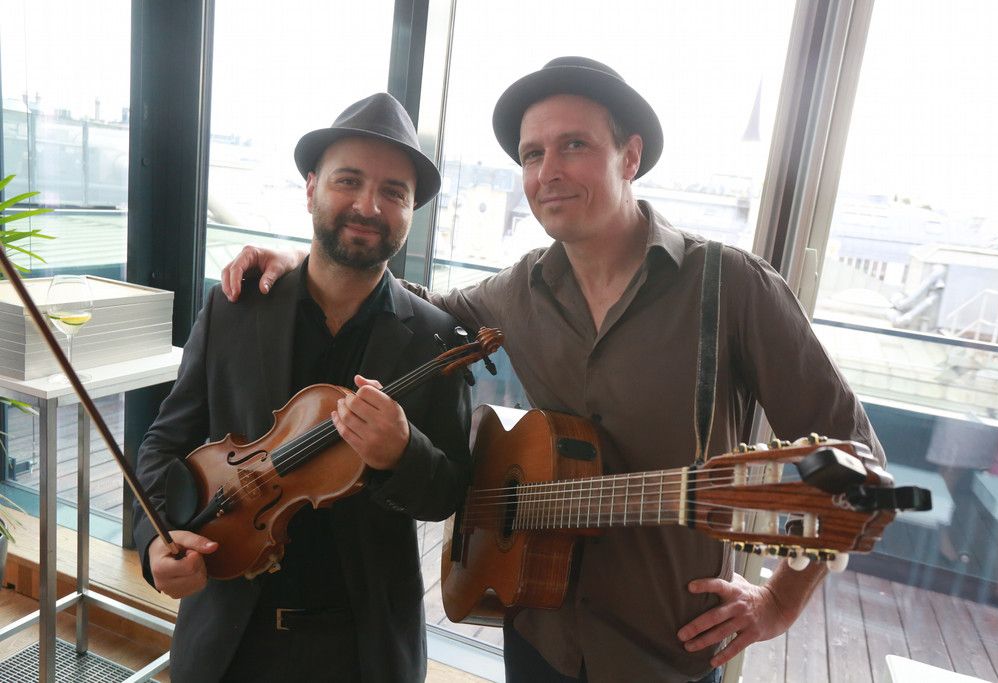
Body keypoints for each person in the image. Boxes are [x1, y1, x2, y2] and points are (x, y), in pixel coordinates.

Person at [221, 58, 885, 683]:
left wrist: (779, 601)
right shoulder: (520, 289)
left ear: (630, 156)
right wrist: (305, 261)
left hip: (665, 650)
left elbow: (860, 469)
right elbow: (410, 306)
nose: (549, 172)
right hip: (537, 630)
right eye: (532, 154)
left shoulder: (731, 286)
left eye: (574, 145)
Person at [133, 93, 473, 683]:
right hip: (229, 637)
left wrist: (403, 453)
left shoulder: (435, 338)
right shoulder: (235, 307)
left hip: (363, 649)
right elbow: (164, 445)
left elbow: (448, 492)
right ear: (311, 187)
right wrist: (154, 540)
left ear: (411, 210)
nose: (368, 206)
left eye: (394, 192)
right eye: (348, 181)